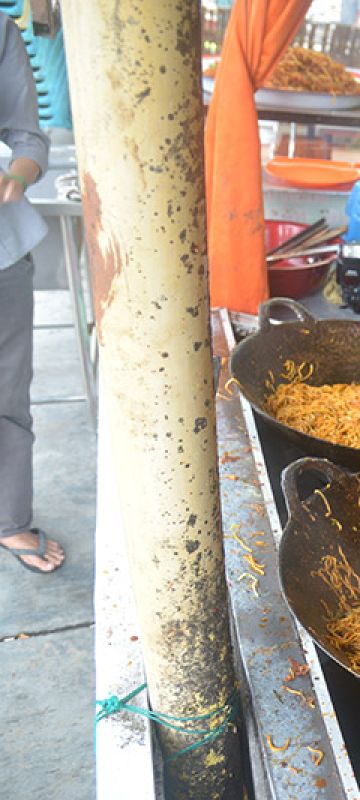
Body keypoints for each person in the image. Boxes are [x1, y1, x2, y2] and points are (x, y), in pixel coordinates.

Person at [0, 16, 64, 574]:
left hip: (0, 246)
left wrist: (16, 176)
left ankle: (10, 519)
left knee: (6, 390)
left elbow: (27, 137)